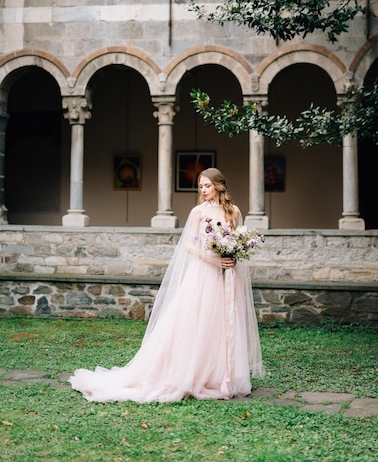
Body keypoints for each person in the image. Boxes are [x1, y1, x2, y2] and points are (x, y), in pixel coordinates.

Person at [69, 168, 264, 403]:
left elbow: (236, 240)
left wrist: (232, 257)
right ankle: (190, 373)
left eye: (207, 186)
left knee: (221, 322)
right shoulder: (198, 213)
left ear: (218, 186)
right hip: (203, 273)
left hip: (226, 275)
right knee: (197, 321)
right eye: (200, 186)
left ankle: (220, 375)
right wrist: (213, 259)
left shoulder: (233, 211)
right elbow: (189, 246)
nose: (203, 190)